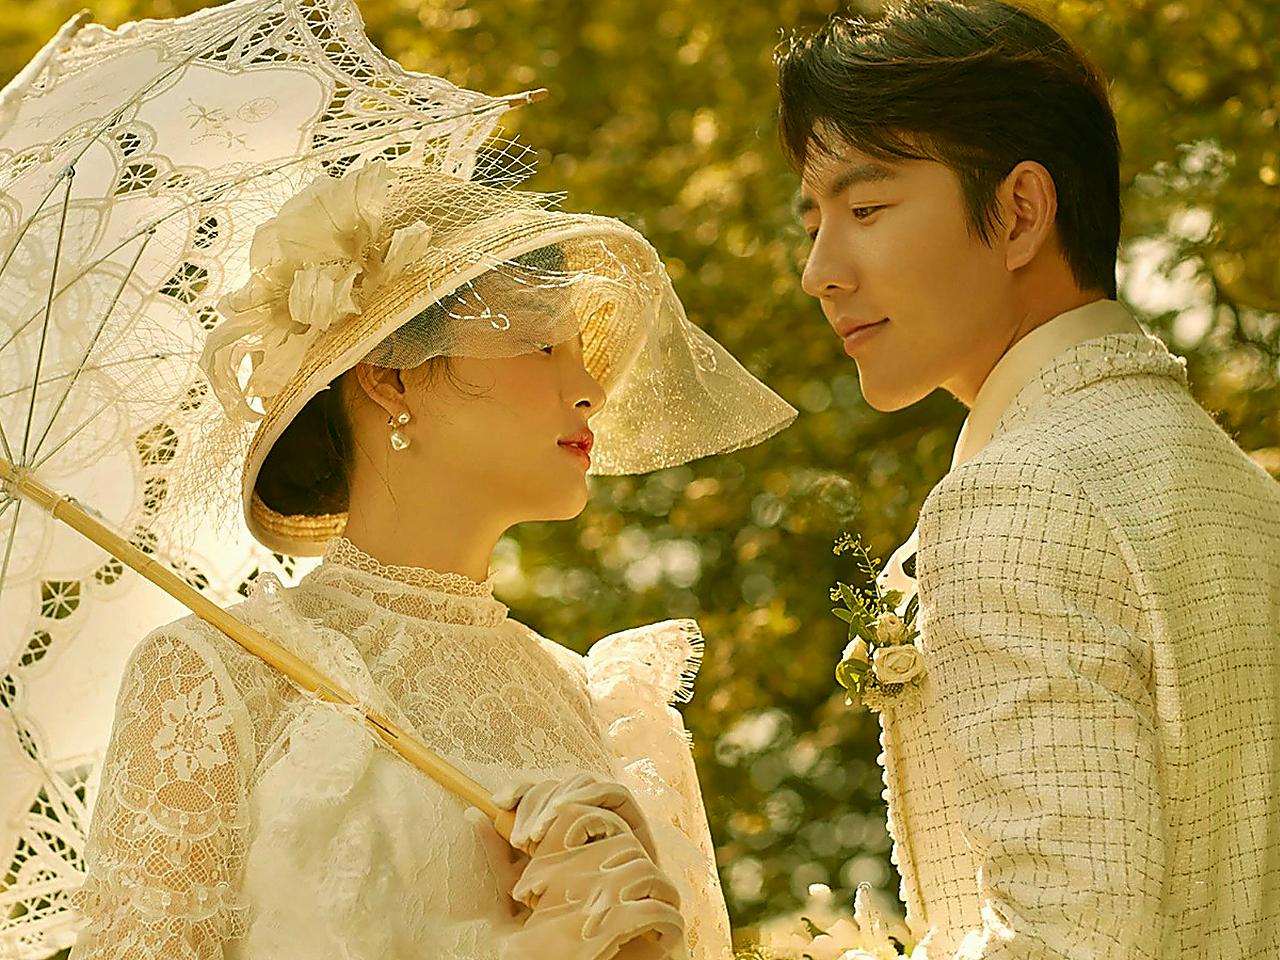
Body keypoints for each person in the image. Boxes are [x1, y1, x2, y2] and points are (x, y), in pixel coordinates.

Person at [70, 159, 796, 959]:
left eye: (579, 349)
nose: (589, 386)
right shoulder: (219, 678)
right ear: (392, 378)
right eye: (540, 343)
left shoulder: (609, 710)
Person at [776, 1, 1280, 956]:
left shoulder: (1018, 498)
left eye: (865, 209)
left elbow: (1068, 937)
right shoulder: (1245, 491)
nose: (820, 272)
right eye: (814, 224)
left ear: (1018, 213)